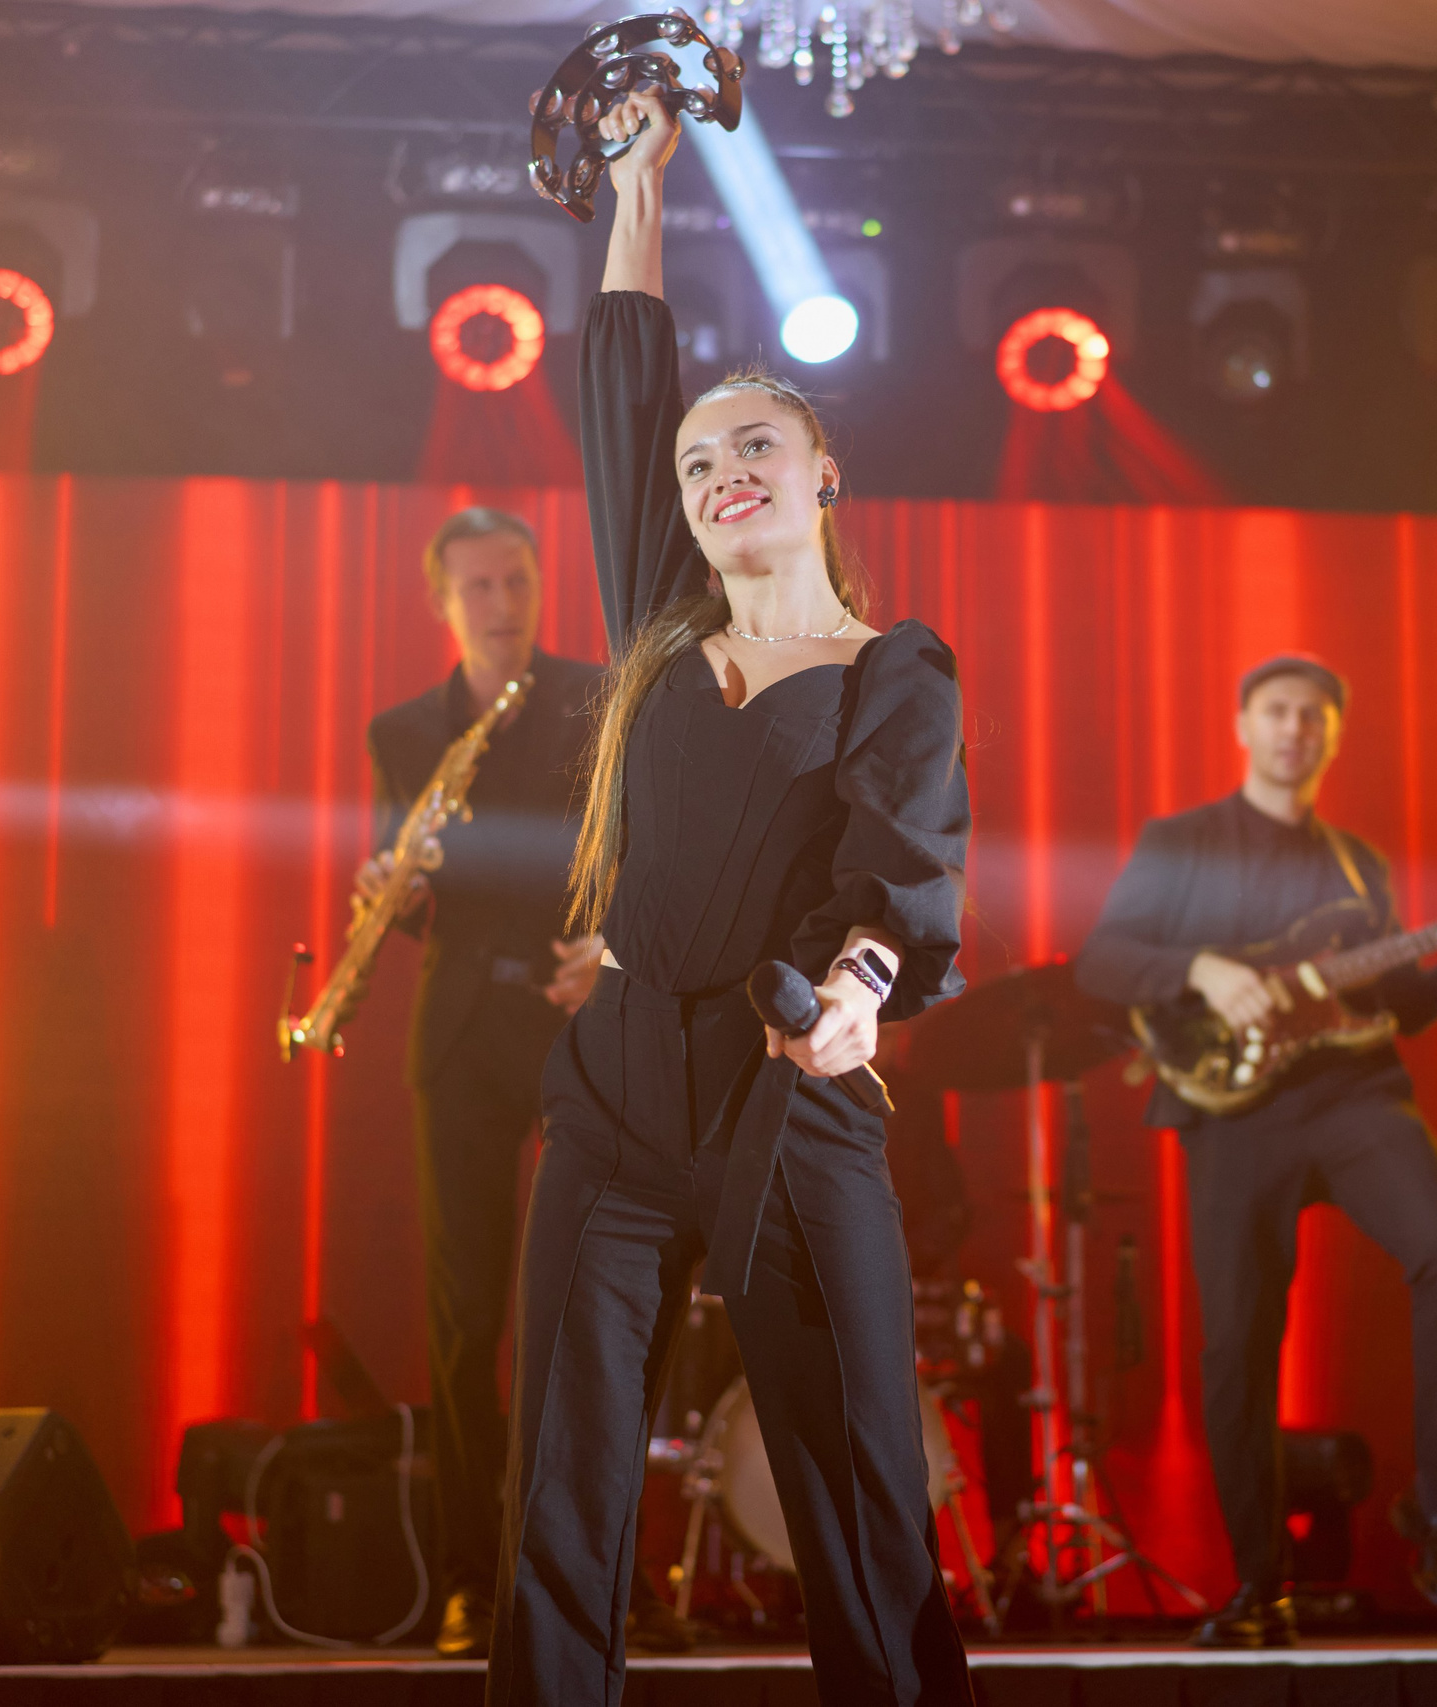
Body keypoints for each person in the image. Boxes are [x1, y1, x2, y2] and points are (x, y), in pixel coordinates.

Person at [490, 88, 974, 1707]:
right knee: (561, 1477)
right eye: (702, 463)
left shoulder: (891, 668)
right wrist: (637, 185)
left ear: (824, 473)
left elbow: (897, 864)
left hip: (791, 1093)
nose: (717, 471)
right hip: (622, 1085)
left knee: (854, 1489)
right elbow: (623, 393)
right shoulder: (654, 639)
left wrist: (856, 989)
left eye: (754, 442)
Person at [1074, 656, 1437, 1646]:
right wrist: (1203, 968)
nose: (1294, 728)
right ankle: (1258, 1588)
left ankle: (1432, 1503)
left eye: (1313, 715)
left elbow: (1400, 1005)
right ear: (1242, 724)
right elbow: (1100, 962)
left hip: (1350, 1094)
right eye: (1277, 711)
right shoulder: (1179, 841)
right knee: (1237, 1352)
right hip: (1232, 1112)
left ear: (1333, 736)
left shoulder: (1358, 866)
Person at [357, 507, 606, 1658]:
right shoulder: (403, 730)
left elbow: (642, 845)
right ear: (441, 602)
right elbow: (411, 888)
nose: (502, 605)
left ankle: (602, 1580)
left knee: (594, 1314)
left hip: (576, 1020)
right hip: (460, 1032)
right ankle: (472, 1579)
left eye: (516, 582)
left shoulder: (601, 701)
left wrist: (610, 945)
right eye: (479, 589)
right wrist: (390, 892)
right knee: (464, 1322)